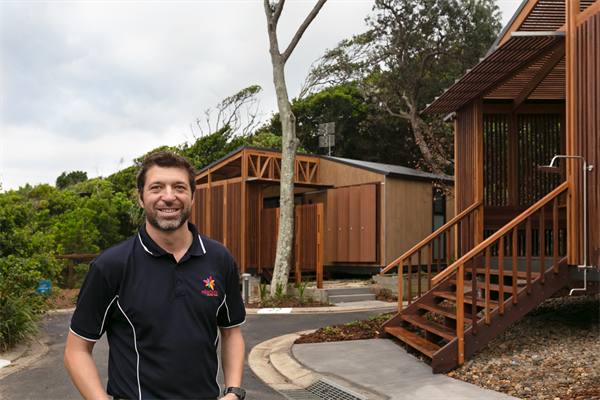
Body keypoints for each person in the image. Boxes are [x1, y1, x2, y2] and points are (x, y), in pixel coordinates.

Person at [64, 151, 246, 400]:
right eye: (156, 187)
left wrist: (233, 392)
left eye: (179, 187)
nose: (168, 197)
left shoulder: (218, 258)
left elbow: (231, 331)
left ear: (193, 195)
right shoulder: (111, 266)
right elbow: (77, 350)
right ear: (141, 197)